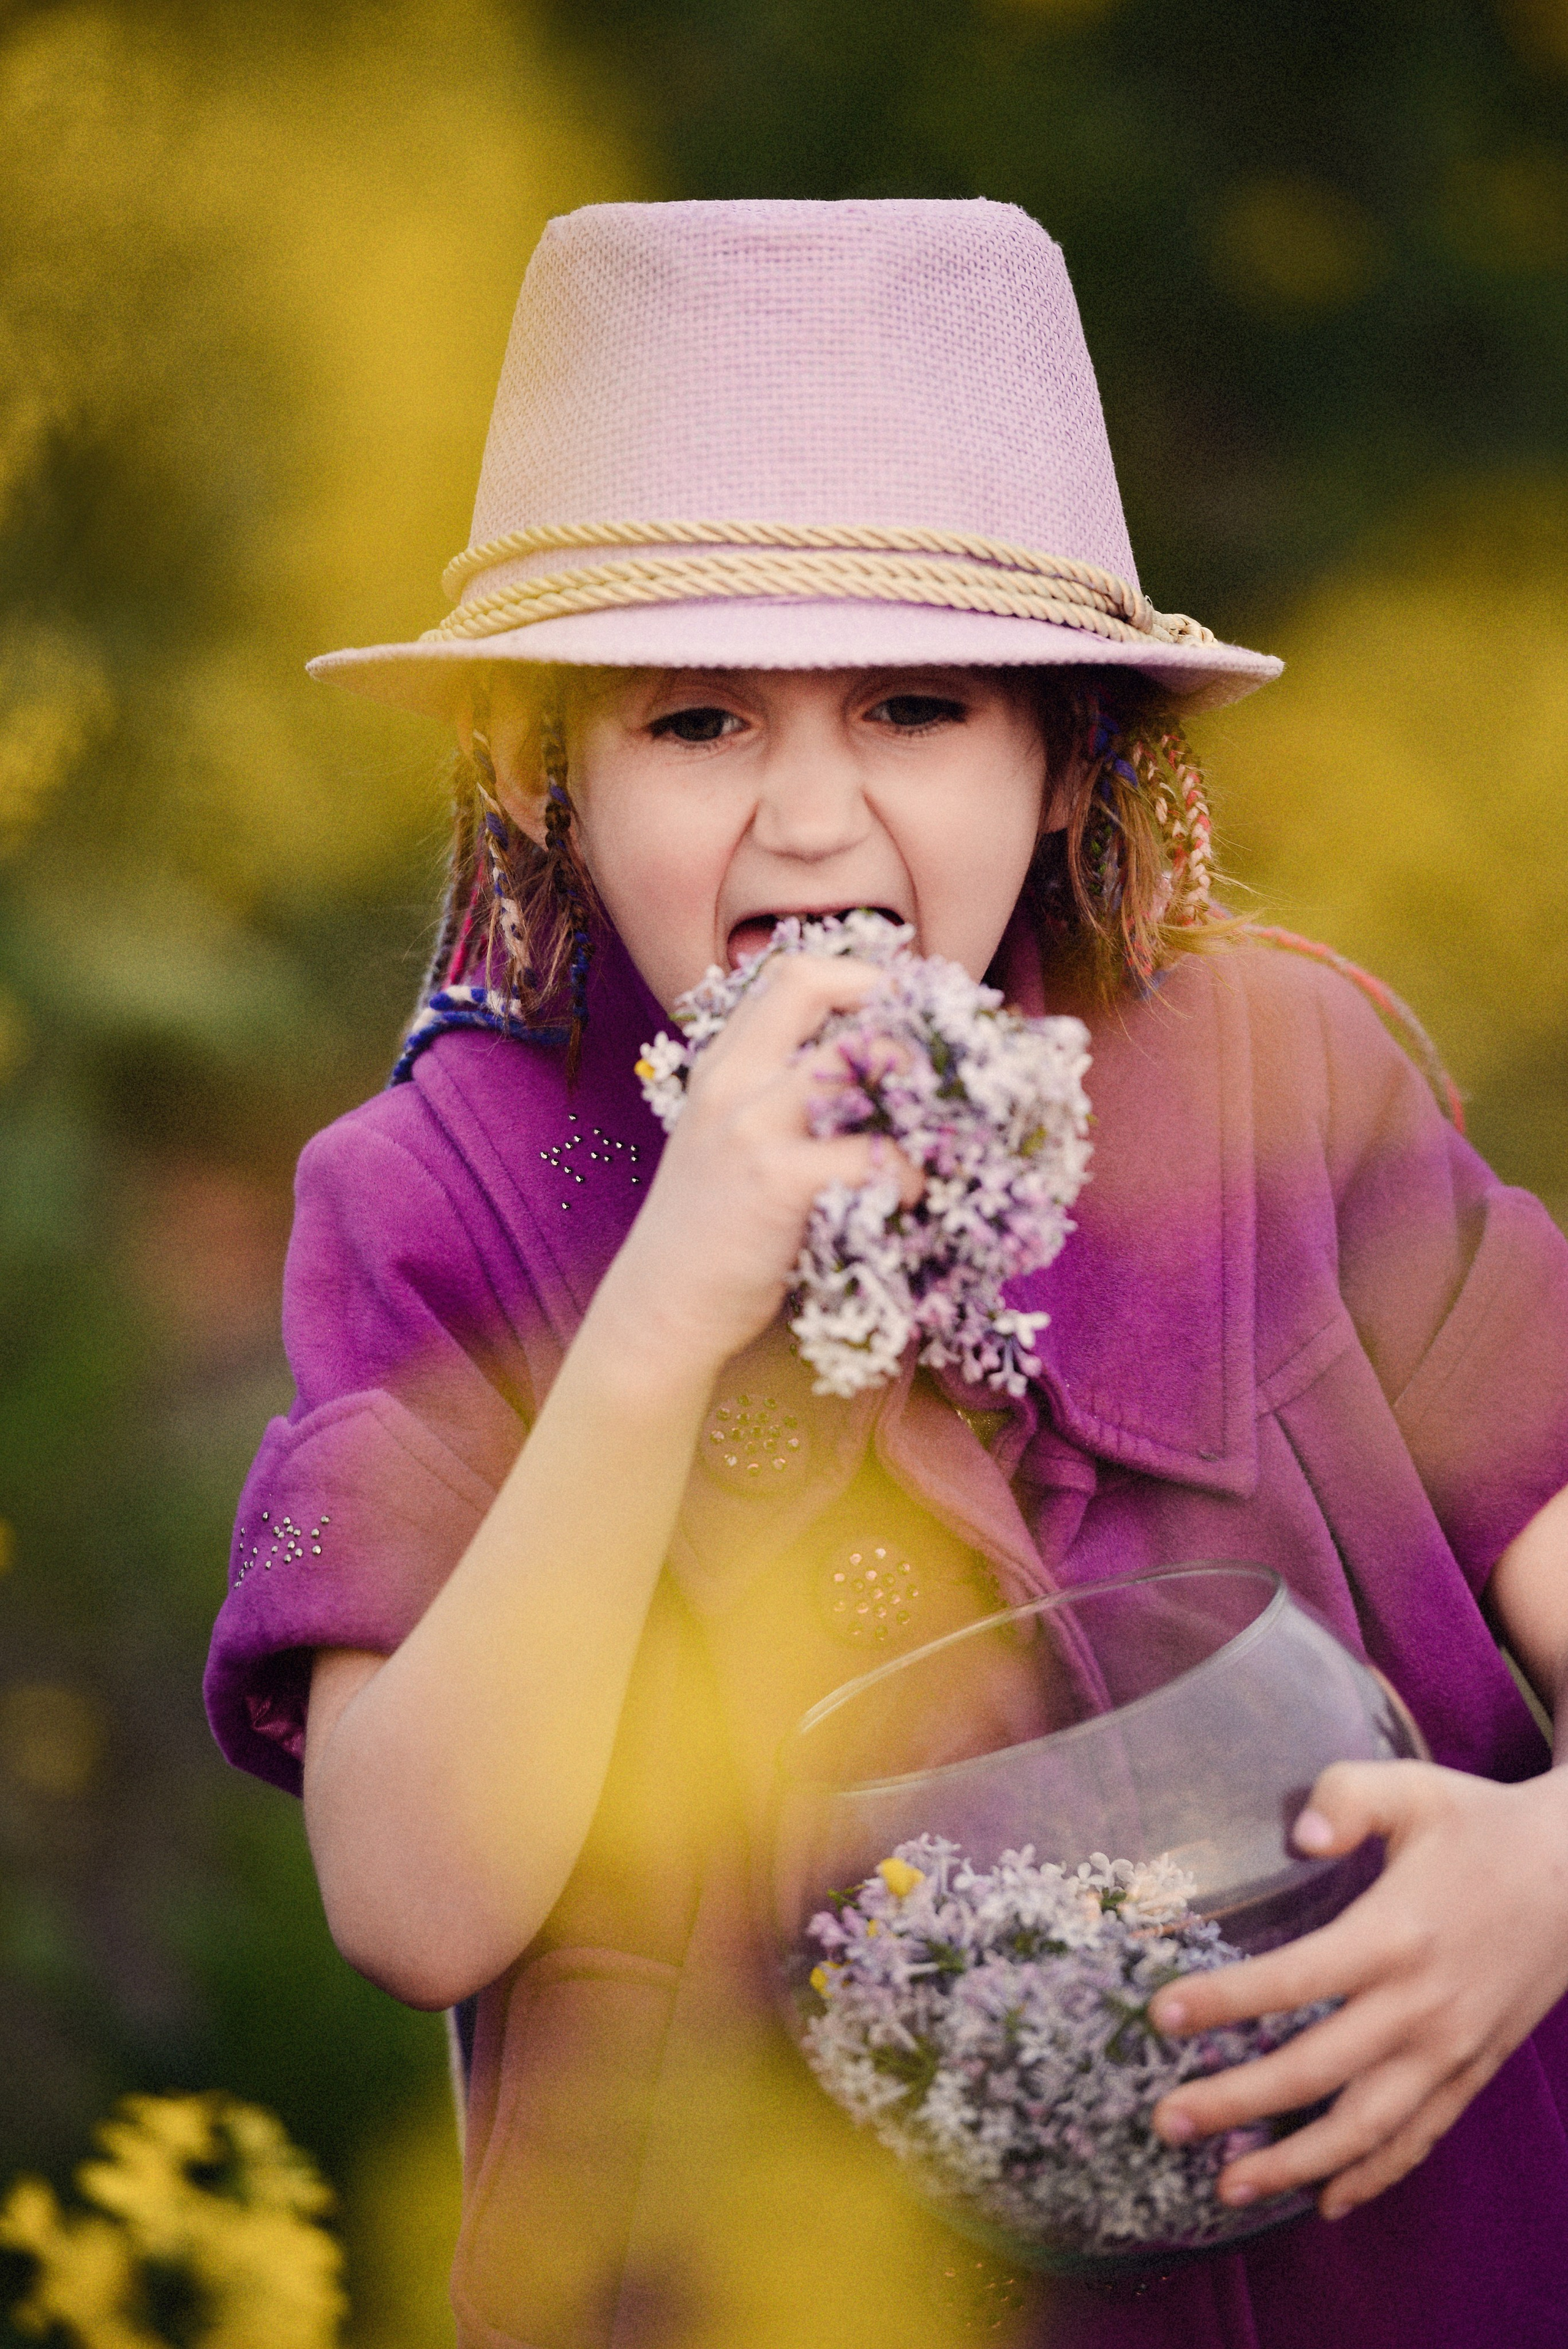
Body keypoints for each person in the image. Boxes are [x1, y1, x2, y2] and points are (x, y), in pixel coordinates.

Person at [204, 200, 1568, 2349]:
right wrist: (662, 1311)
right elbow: (409, 1902)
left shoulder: (1288, 1077)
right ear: (545, 770)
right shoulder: (437, 1190)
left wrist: (1545, 1877)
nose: (813, 818)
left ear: (1066, 752)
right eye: (696, 721)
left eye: (915, 707)